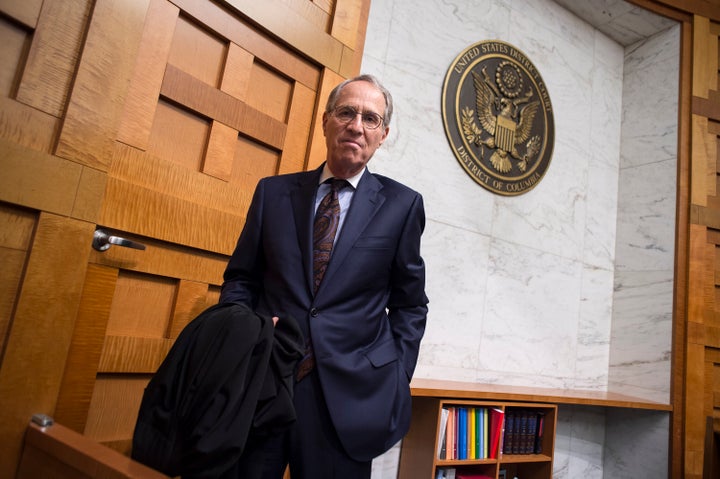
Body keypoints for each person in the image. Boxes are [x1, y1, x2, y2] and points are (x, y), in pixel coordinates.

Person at [220, 73, 429, 479]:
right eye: (347, 112)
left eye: (370, 118)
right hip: (262, 381)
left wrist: (396, 375)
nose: (356, 126)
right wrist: (245, 333)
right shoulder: (272, 193)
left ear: (383, 134)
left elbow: (410, 304)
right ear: (326, 120)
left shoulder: (402, 206)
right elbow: (241, 279)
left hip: (348, 397)